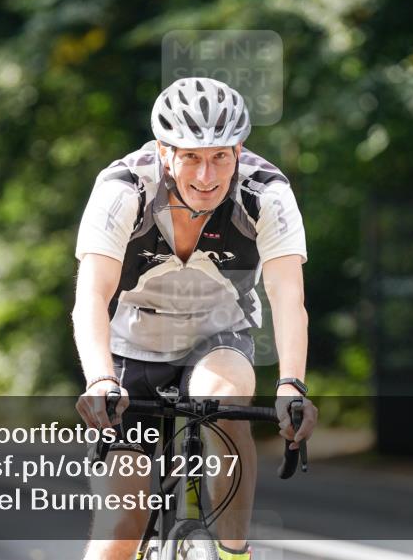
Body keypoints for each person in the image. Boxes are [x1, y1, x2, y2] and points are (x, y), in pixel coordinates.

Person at [73, 77, 318, 560]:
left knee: (224, 404)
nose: (207, 175)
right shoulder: (123, 189)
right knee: (121, 525)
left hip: (218, 334)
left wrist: (292, 385)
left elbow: (288, 296)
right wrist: (100, 380)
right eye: (191, 156)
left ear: (239, 149)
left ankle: (232, 552)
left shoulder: (264, 192)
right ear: (165, 151)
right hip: (131, 347)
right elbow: (91, 298)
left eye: (221, 156)